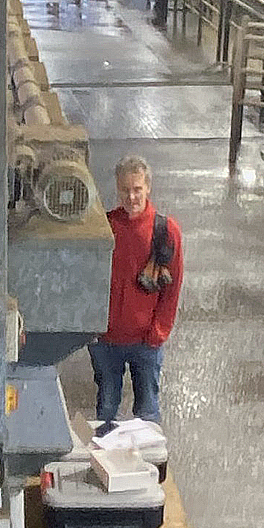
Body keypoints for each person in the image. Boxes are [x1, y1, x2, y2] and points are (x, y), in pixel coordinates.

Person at [92, 155, 183, 425]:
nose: (131, 197)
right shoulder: (106, 228)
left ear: (148, 188)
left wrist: (158, 333)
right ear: (117, 189)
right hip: (107, 341)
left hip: (146, 343)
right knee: (106, 411)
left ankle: (149, 466)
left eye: (137, 189)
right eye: (125, 190)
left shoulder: (165, 231)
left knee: (147, 413)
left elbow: (173, 286)